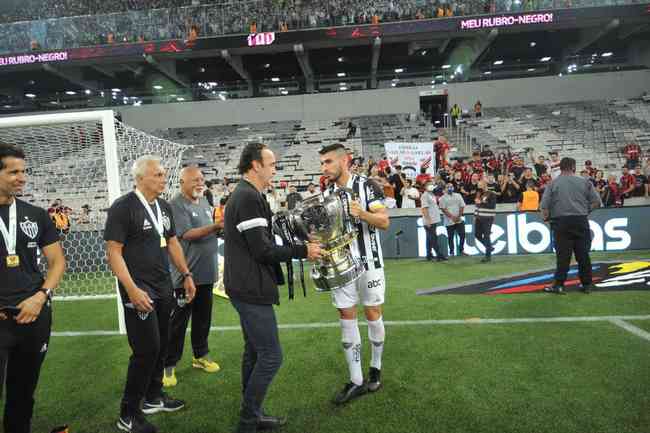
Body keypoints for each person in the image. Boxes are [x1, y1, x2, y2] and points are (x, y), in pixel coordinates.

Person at [224, 143, 321, 433]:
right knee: (271, 355)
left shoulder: (247, 195)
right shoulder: (248, 197)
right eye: (272, 164)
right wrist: (303, 250)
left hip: (244, 284)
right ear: (255, 165)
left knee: (254, 352)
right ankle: (248, 420)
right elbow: (262, 250)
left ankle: (252, 415)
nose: (274, 169)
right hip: (249, 286)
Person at [104, 155, 197, 433]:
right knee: (146, 350)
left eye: (163, 174)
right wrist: (132, 289)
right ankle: (128, 413)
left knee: (163, 344)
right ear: (140, 177)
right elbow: (113, 252)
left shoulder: (164, 207)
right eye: (157, 174)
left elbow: (171, 242)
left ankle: (153, 398)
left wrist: (187, 274)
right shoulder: (123, 207)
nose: (163, 178)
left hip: (164, 286)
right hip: (139, 290)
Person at [0, 143, 66, 433]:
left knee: (23, 391)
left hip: (33, 314)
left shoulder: (36, 214)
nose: (22, 177)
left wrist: (41, 297)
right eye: (14, 171)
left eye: (24, 171)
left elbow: (57, 262)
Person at [318, 143, 390, 405]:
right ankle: (356, 380)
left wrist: (362, 213)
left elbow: (384, 222)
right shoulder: (326, 192)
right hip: (341, 266)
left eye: (327, 162)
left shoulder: (368, 186)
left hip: (370, 263)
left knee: (372, 313)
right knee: (346, 316)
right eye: (322, 163)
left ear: (344, 161)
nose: (323, 167)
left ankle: (376, 367)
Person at [163, 167, 223, 388]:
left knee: (202, 319)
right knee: (177, 323)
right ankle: (168, 365)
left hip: (206, 274)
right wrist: (216, 226)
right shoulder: (175, 205)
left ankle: (201, 355)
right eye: (195, 180)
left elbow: (208, 231)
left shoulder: (205, 202)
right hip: (185, 275)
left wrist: (218, 229)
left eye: (202, 180)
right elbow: (186, 234)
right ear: (182, 182)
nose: (200, 183)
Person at [540, 157, 602, 294]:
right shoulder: (585, 182)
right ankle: (587, 285)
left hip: (560, 222)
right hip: (580, 220)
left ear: (560, 168)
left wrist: (547, 219)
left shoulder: (553, 183)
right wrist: (585, 211)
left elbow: (544, 206)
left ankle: (559, 285)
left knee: (563, 256)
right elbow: (597, 202)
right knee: (583, 255)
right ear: (573, 167)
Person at [421, 180, 447, 262]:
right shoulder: (425, 195)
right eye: (429, 184)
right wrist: (428, 220)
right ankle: (439, 255)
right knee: (433, 238)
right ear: (425, 187)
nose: (431, 185)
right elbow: (424, 208)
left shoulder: (431, 194)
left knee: (429, 239)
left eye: (432, 184)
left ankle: (429, 255)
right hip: (429, 220)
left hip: (433, 219)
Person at [439, 184, 466, 257]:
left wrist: (459, 216)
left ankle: (461, 250)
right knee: (450, 237)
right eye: (448, 187)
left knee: (462, 235)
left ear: (453, 188)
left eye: (451, 186)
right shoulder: (442, 198)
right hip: (449, 220)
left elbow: (462, 206)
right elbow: (443, 209)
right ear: (445, 189)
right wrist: (452, 217)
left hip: (459, 219)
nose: (450, 188)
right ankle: (451, 252)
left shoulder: (458, 195)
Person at [474, 180, 497, 262]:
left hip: (488, 218)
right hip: (479, 217)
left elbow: (492, 206)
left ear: (485, 185)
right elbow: (477, 206)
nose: (478, 187)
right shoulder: (478, 194)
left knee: (486, 235)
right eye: (478, 185)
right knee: (477, 235)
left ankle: (488, 256)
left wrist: (482, 202)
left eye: (480, 185)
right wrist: (475, 215)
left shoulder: (491, 194)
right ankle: (489, 247)